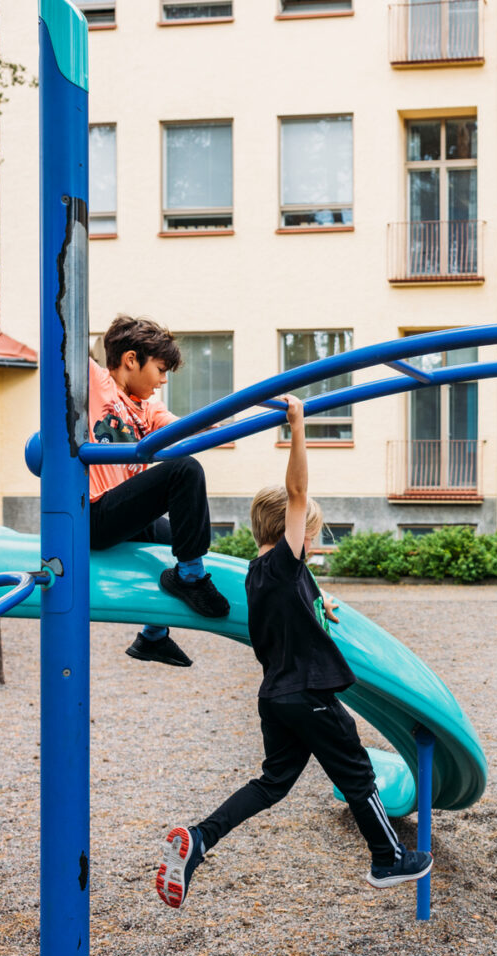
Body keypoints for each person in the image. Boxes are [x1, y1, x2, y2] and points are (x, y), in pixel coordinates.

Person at [155, 394, 432, 909]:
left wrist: (319, 600)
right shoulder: (284, 564)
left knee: (272, 783)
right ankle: (387, 859)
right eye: (310, 532)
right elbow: (298, 490)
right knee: (357, 773)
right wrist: (298, 425)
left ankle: (199, 838)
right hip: (308, 694)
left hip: (277, 697)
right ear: (292, 532)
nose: (314, 543)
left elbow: (296, 595)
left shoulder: (261, 576)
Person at [89, 315, 230, 667]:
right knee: (184, 471)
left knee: (187, 535)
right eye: (161, 369)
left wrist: (236, 414)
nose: (164, 380)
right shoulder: (95, 384)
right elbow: (66, 346)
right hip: (93, 515)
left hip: (124, 515)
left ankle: (152, 635)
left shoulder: (147, 408)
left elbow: (189, 430)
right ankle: (191, 579)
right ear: (131, 360)